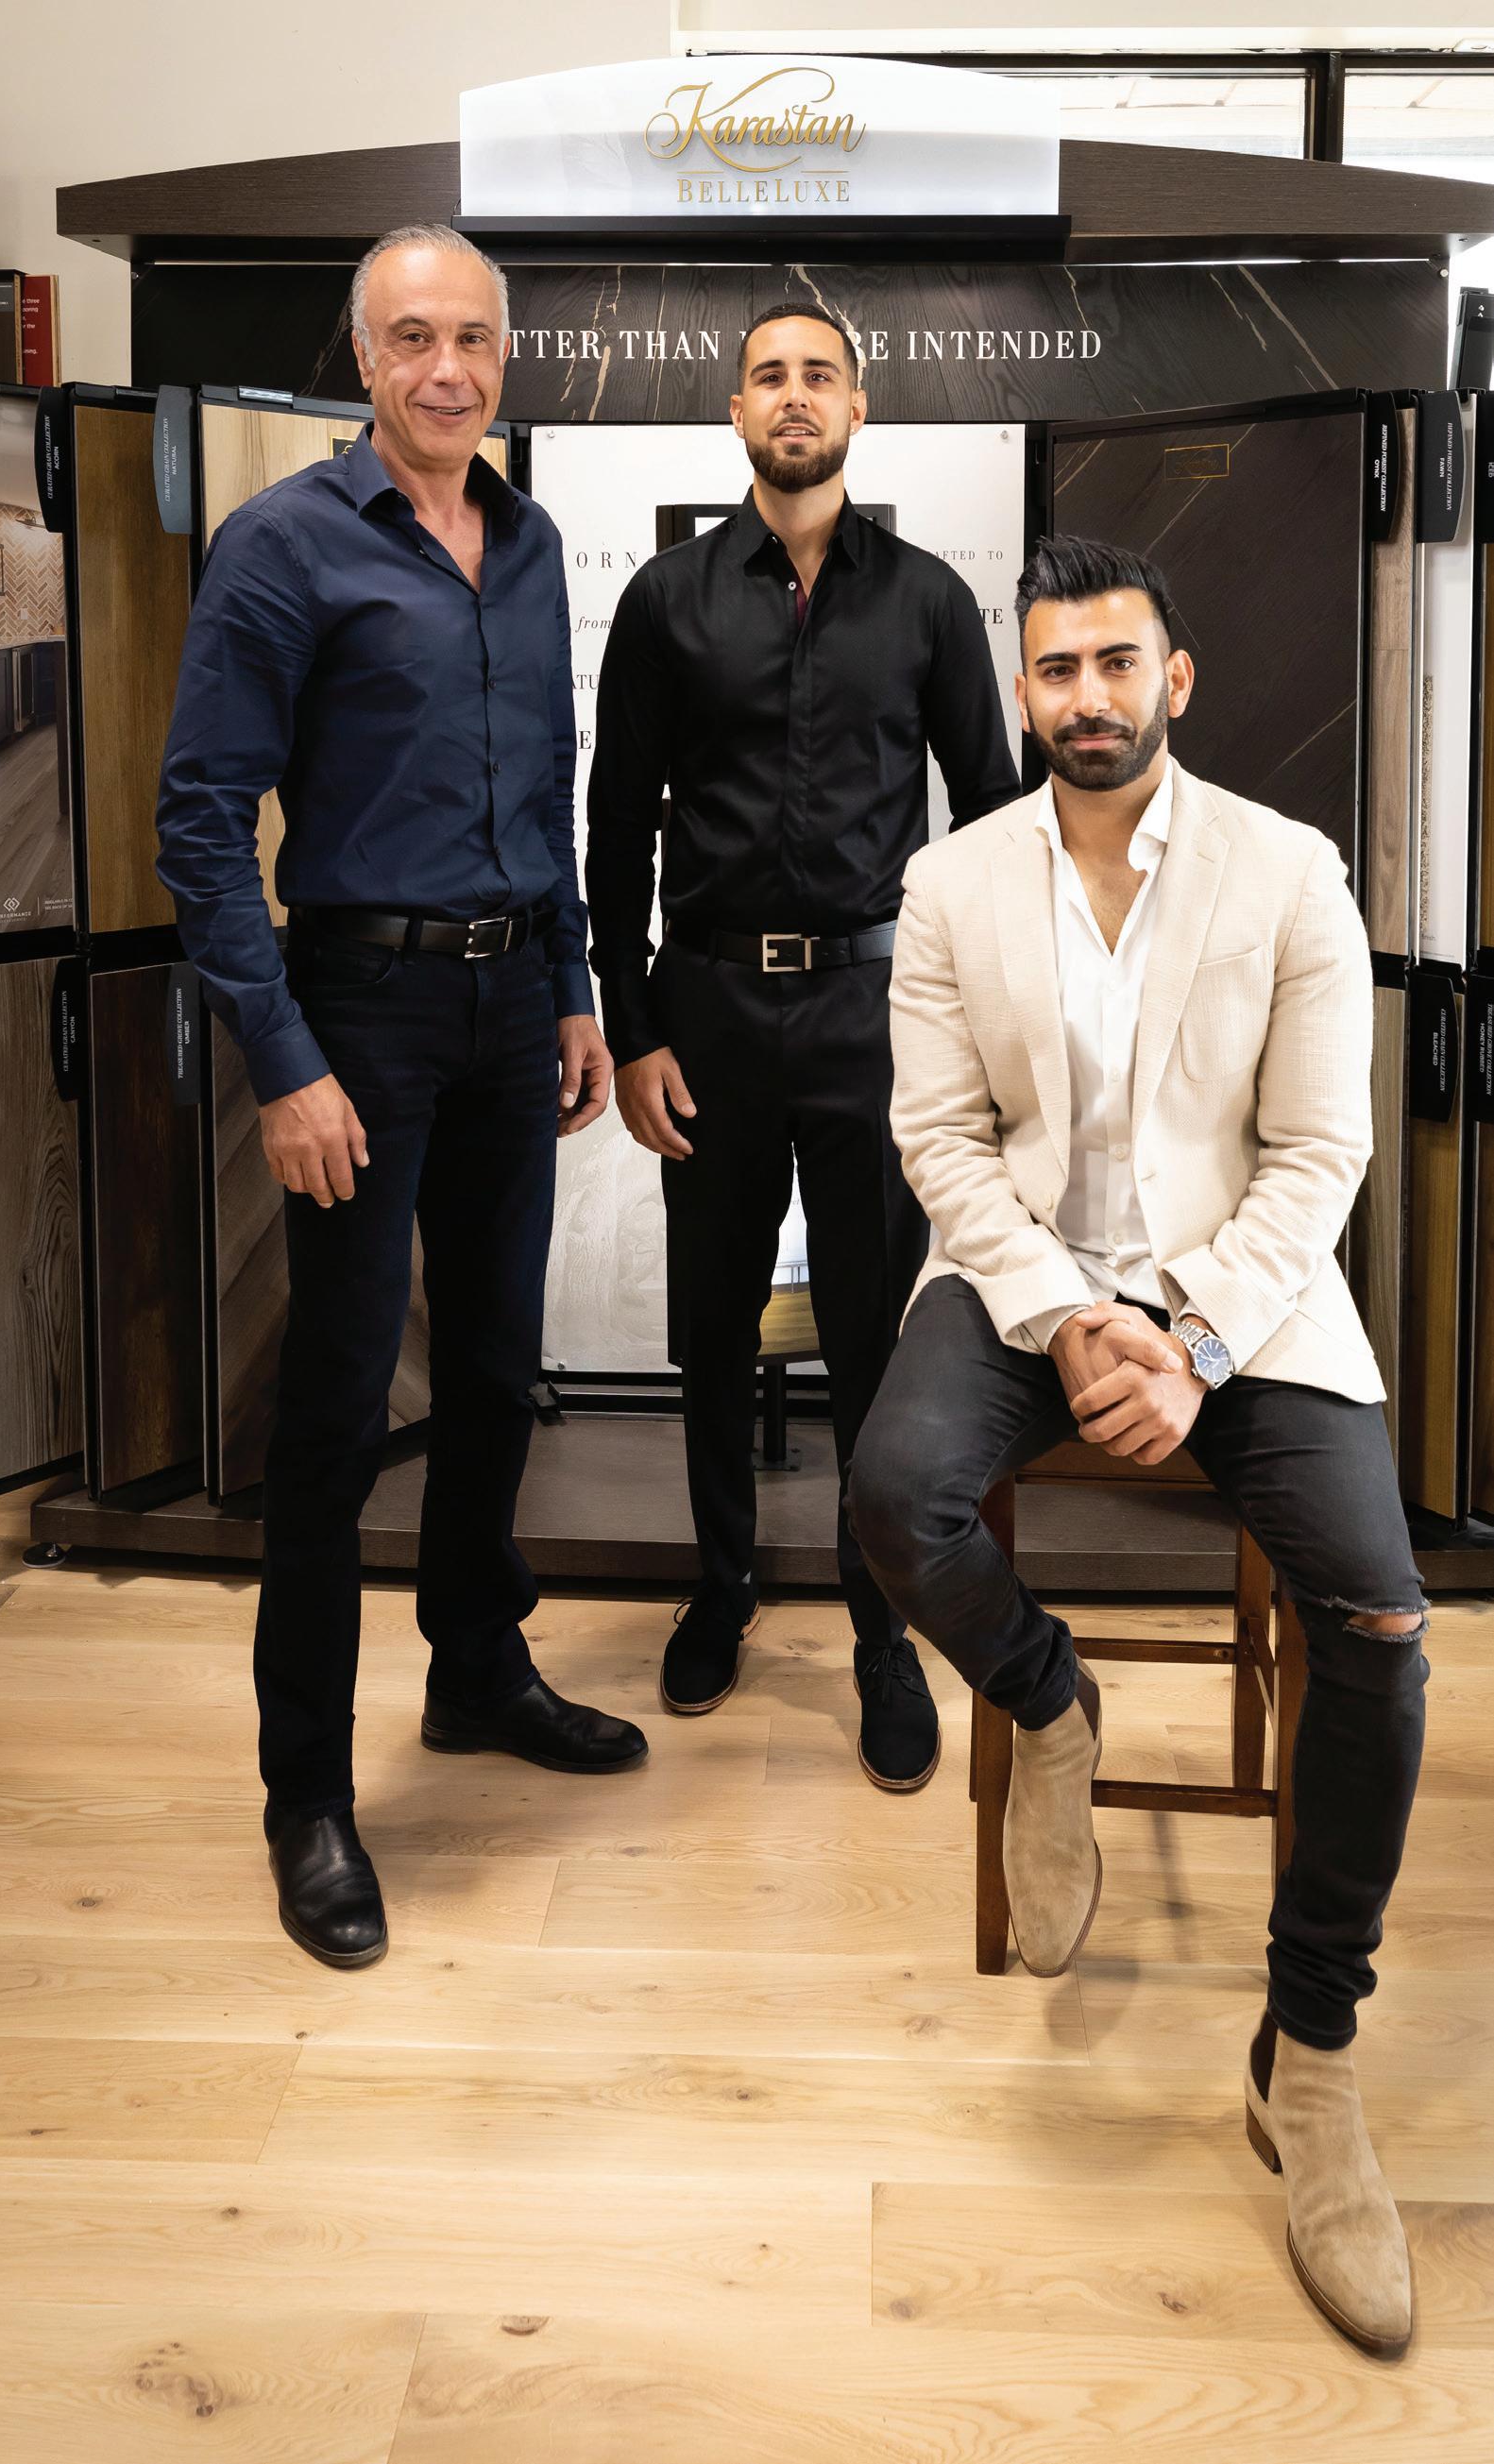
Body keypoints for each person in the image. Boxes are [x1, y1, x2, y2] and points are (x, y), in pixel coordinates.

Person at [849, 534, 1428, 2356]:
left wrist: (1188, 1338)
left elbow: (1318, 1155)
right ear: (1019, 691)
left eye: (1115, 663)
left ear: (1173, 678)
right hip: (1024, 1278)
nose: (1084, 696)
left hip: (1241, 1296)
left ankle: (1307, 2051)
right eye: (1054, 668)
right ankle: (1046, 1700)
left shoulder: (1288, 868)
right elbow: (943, 1144)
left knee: (1380, 1621)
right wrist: (1067, 1317)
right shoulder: (950, 881)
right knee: (892, 1499)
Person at [156, 223, 646, 1973]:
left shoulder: (529, 541)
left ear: (505, 357)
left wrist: (574, 986)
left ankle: (475, 1668)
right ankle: (304, 1789)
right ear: (362, 360)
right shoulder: (282, 544)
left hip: (515, 1004)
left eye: (474, 339)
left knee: (501, 1367)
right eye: (413, 338)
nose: (448, 369)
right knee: (341, 1405)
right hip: (358, 1006)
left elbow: (549, 786)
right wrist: (282, 1059)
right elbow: (201, 819)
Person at [586, 303, 1020, 1789]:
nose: (793, 395)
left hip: (874, 1018)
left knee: (870, 1335)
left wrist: (979, 1032)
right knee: (712, 1321)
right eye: (768, 375)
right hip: (705, 1010)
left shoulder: (928, 602)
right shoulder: (666, 599)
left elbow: (995, 818)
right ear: (735, 410)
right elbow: (615, 827)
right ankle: (720, 1586)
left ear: (856, 406)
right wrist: (631, 1028)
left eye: (818, 374)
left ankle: (880, 1630)